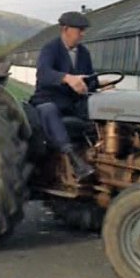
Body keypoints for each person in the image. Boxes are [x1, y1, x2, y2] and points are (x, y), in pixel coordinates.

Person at [29, 11, 99, 181]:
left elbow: (88, 78)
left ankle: (98, 152)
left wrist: (101, 83)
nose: (82, 34)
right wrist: (67, 78)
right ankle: (74, 161)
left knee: (96, 107)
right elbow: (44, 74)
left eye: (84, 30)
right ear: (65, 29)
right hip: (48, 100)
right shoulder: (50, 49)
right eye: (79, 30)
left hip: (72, 103)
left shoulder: (84, 53)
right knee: (48, 110)